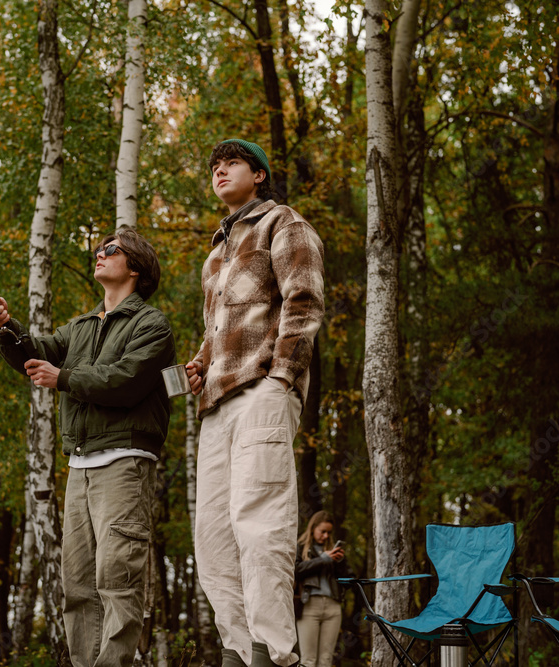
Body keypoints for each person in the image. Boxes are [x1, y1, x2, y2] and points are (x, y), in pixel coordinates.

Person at [0, 227, 174, 667]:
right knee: (78, 585)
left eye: (111, 249)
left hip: (125, 461)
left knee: (117, 578)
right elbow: (36, 353)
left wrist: (64, 378)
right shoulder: (82, 326)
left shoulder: (152, 324)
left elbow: (125, 381)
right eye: (99, 249)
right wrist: (7, 327)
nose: (99, 254)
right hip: (80, 464)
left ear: (136, 267)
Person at [185, 138, 326, 667]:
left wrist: (282, 378)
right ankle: (238, 653)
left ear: (259, 174)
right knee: (213, 537)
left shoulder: (282, 223)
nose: (220, 171)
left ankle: (273, 655)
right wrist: (200, 364)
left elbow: (304, 300)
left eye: (232, 164)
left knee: (259, 522)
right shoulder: (216, 254)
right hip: (216, 404)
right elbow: (215, 331)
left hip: (263, 391)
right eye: (214, 167)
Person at [295, 511, 349, 667]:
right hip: (309, 605)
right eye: (322, 531)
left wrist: (339, 562)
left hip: (333, 606)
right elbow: (296, 571)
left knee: (326, 661)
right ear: (313, 529)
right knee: (308, 660)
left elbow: (348, 580)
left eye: (329, 532)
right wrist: (323, 559)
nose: (326, 536)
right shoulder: (300, 547)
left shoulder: (333, 551)